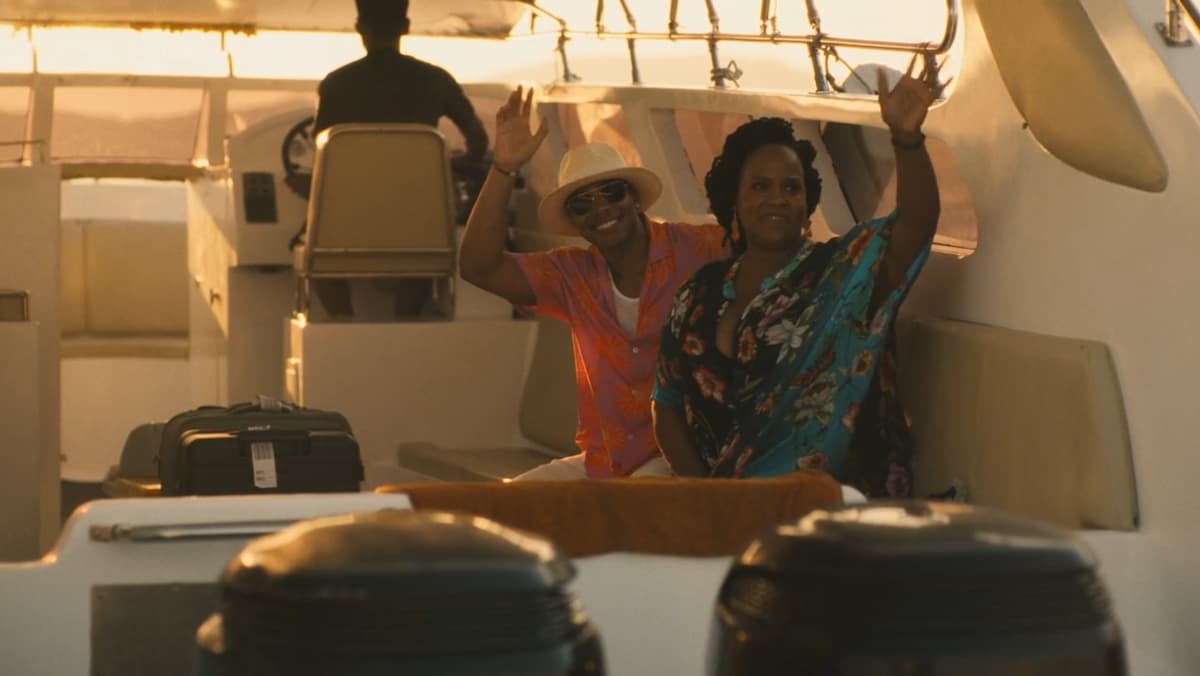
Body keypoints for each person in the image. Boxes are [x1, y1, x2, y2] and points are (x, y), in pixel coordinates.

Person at [652, 57, 946, 497]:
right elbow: (667, 405)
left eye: (791, 187)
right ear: (734, 201)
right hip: (720, 504)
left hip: (823, 504)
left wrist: (907, 139)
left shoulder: (842, 271)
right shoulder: (697, 293)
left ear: (807, 206)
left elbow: (914, 226)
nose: (777, 198)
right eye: (760, 186)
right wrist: (706, 499)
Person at [459, 86, 728, 480]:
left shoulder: (700, 248)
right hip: (605, 460)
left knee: (628, 502)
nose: (600, 208)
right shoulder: (571, 274)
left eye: (612, 193)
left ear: (634, 199)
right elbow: (479, 267)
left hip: (680, 455)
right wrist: (503, 169)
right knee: (503, 505)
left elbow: (768, 254)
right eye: (582, 204)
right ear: (574, 221)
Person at [288, 0, 489, 318]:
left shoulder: (336, 83)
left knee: (314, 244)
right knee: (426, 242)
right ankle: (405, 319)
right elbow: (478, 142)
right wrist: (446, 165)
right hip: (421, 234)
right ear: (405, 27)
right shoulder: (436, 79)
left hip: (345, 231)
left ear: (359, 28)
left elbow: (325, 152)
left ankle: (342, 321)